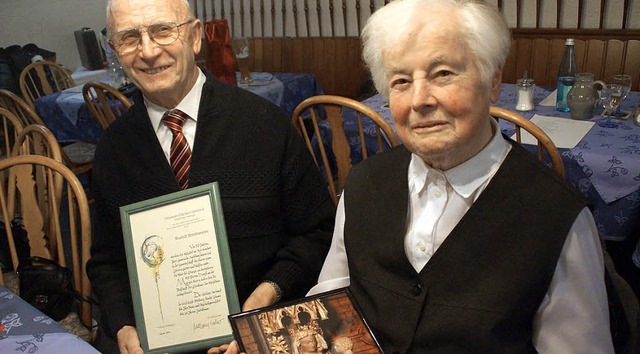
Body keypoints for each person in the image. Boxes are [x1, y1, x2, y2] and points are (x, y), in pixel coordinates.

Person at [307, 0, 615, 353]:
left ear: (493, 81)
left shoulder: (557, 219)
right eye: (402, 81)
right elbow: (330, 301)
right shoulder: (362, 185)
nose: (419, 100)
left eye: (443, 74)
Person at [86, 0, 335, 353]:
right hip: (157, 344)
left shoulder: (264, 125)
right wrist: (123, 326)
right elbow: (107, 260)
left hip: (262, 332)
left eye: (162, 30)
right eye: (129, 38)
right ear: (115, 50)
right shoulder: (114, 147)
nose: (148, 51)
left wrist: (268, 295)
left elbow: (319, 231)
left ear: (196, 36)